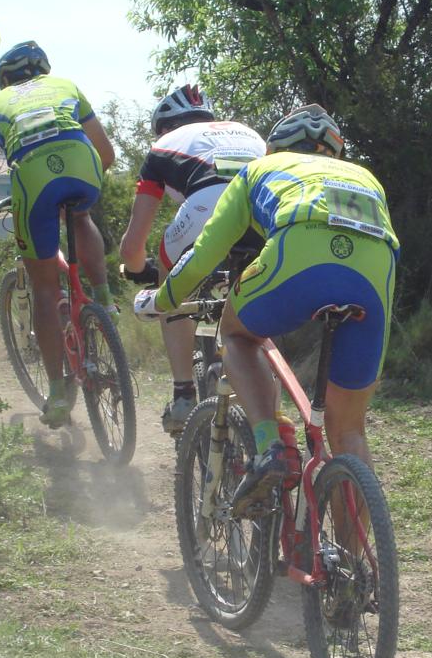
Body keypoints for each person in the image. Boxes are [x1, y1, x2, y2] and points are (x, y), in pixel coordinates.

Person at [133, 103, 399, 515]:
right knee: (348, 432)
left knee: (238, 334)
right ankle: (355, 572)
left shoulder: (258, 170)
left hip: (299, 254)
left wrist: (163, 300)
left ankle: (270, 447)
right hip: (374, 276)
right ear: (335, 154)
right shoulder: (366, 178)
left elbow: (204, 253)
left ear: (273, 148)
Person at [0, 40, 116, 428]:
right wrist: (80, 186)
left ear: (4, 80)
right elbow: (106, 153)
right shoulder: (66, 86)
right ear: (42, 70)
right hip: (82, 164)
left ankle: (57, 394)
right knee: (80, 216)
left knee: (44, 288)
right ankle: (104, 300)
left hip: (33, 178)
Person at [118, 84, 266, 435]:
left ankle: (183, 392)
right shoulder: (248, 133)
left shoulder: (163, 147)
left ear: (165, 127)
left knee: (170, 275)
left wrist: (138, 270)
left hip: (207, 206)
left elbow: (132, 243)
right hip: (265, 203)